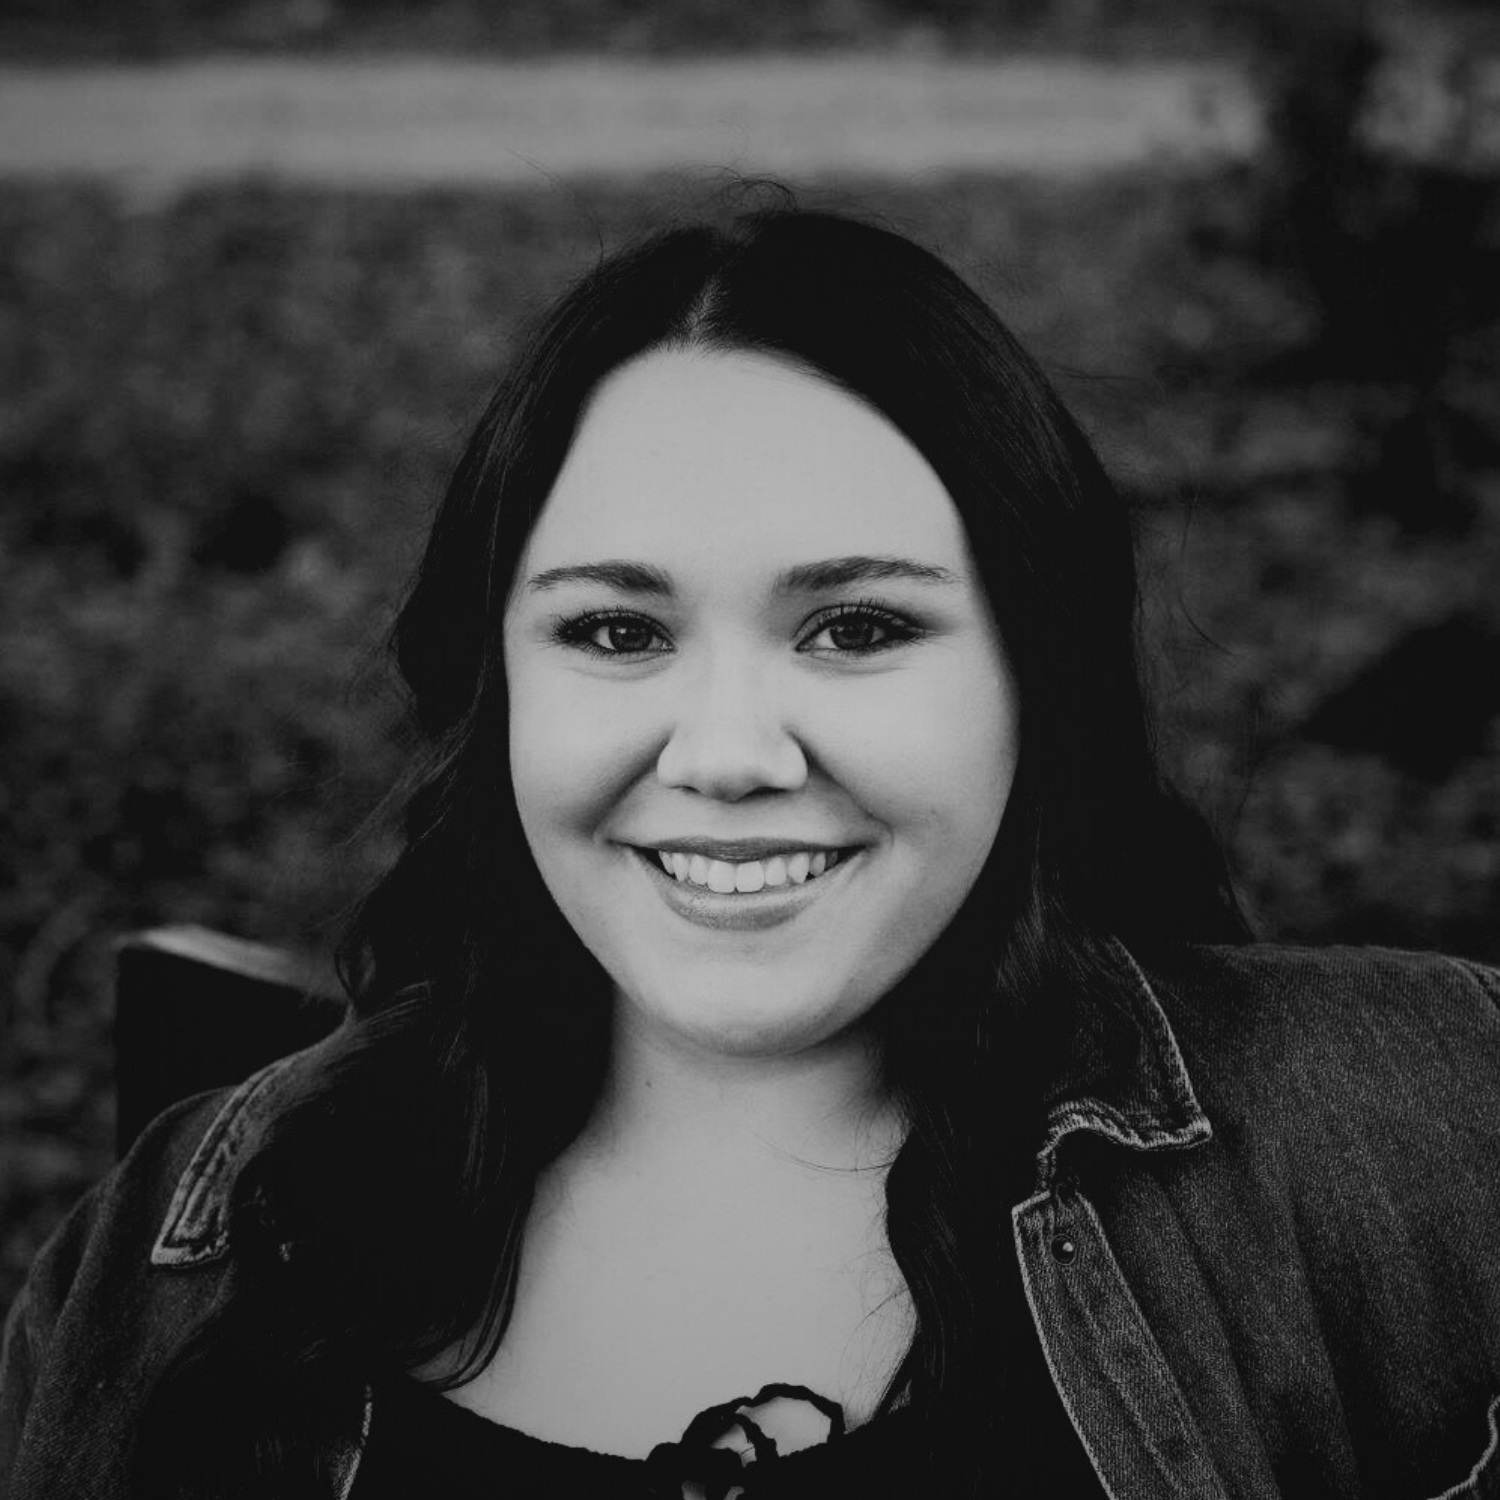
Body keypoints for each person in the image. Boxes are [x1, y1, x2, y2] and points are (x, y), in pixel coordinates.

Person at [2, 203, 1498, 1500]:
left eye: (855, 628)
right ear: (497, 689)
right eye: (615, 630)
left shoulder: (1423, 1134)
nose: (725, 756)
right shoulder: (169, 1256)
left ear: (1033, 682)